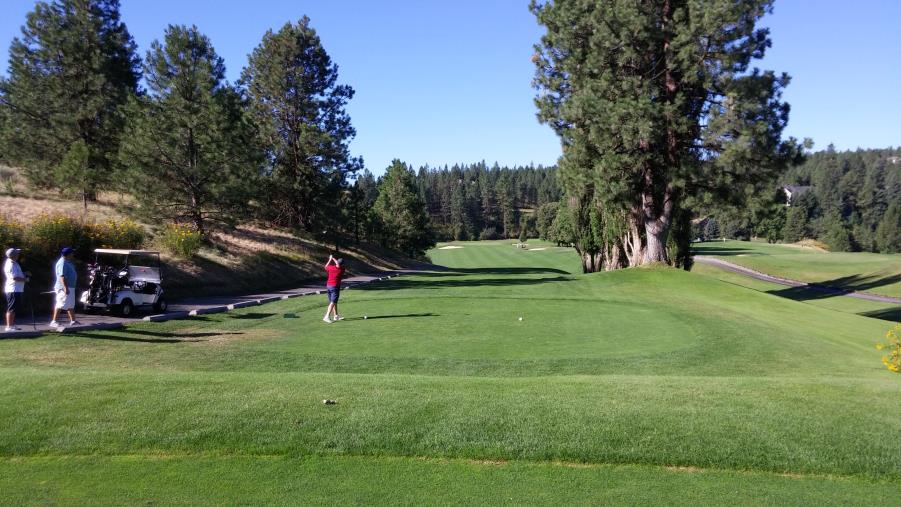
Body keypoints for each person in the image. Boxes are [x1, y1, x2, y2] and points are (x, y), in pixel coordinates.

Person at [50, 247, 80, 328]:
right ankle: (54, 321)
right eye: (72, 253)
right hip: (63, 287)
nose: (73, 254)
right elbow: (62, 276)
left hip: (70, 286)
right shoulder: (62, 263)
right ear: (68, 254)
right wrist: (65, 287)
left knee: (70, 304)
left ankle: (73, 321)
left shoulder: (68, 262)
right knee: (60, 303)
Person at [3, 248, 28, 332]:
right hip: (13, 289)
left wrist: (24, 274)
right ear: (13, 255)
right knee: (11, 308)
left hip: (17, 289)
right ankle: (9, 327)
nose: (18, 255)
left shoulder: (14, 263)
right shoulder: (11, 264)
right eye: (17, 253)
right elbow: (15, 278)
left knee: (14, 308)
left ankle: (12, 325)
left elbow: (17, 274)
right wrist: (25, 279)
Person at [323, 254, 346, 323]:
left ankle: (336, 316)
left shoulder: (331, 268)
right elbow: (338, 264)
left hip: (328, 286)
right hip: (335, 287)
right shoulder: (342, 270)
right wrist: (333, 258)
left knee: (333, 301)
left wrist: (330, 259)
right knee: (333, 302)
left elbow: (325, 266)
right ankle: (326, 316)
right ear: (342, 264)